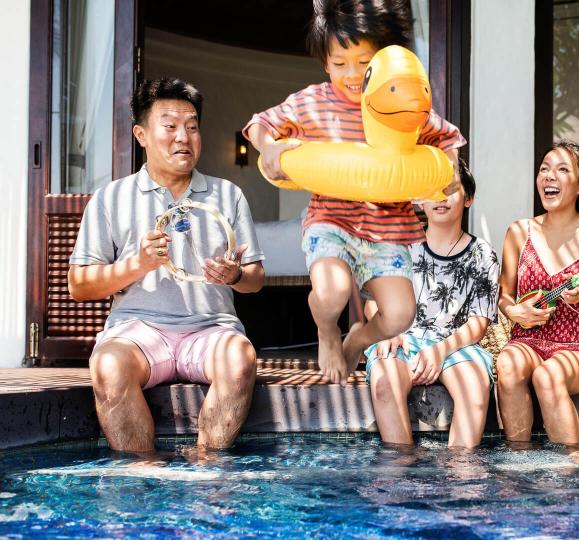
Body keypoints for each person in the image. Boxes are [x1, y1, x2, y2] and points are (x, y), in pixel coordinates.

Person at [243, 0, 465, 385]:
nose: (351, 73)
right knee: (333, 293)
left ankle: (358, 337)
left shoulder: (397, 102)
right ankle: (327, 330)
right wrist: (270, 147)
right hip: (332, 219)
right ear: (325, 63)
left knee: (399, 315)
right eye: (340, 62)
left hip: (387, 228)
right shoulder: (313, 102)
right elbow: (260, 124)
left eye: (363, 62)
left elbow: (447, 138)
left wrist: (450, 170)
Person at [68, 78, 266, 453]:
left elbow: (255, 279)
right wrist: (137, 265)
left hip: (210, 330)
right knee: (109, 365)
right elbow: (79, 285)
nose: (183, 137)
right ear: (141, 134)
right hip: (138, 333)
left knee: (240, 359)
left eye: (192, 127)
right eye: (170, 127)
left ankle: (206, 470)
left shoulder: (228, 195)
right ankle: (144, 474)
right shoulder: (111, 198)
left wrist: (236, 275)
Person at [495, 141, 579, 447]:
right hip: (527, 339)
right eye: (544, 169)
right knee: (508, 364)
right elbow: (504, 296)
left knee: (548, 375)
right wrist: (515, 312)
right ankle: (519, 462)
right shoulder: (519, 232)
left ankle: (574, 470)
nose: (549, 176)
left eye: (562, 170)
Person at [364, 163, 498, 448]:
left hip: (457, 345)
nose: (441, 197)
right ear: (420, 200)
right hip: (402, 336)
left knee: (474, 387)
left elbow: (480, 322)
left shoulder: (483, 254)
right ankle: (400, 476)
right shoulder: (399, 246)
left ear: (468, 198)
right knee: (384, 382)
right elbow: (375, 302)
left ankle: (461, 477)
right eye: (433, 189)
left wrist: (440, 350)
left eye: (450, 189)